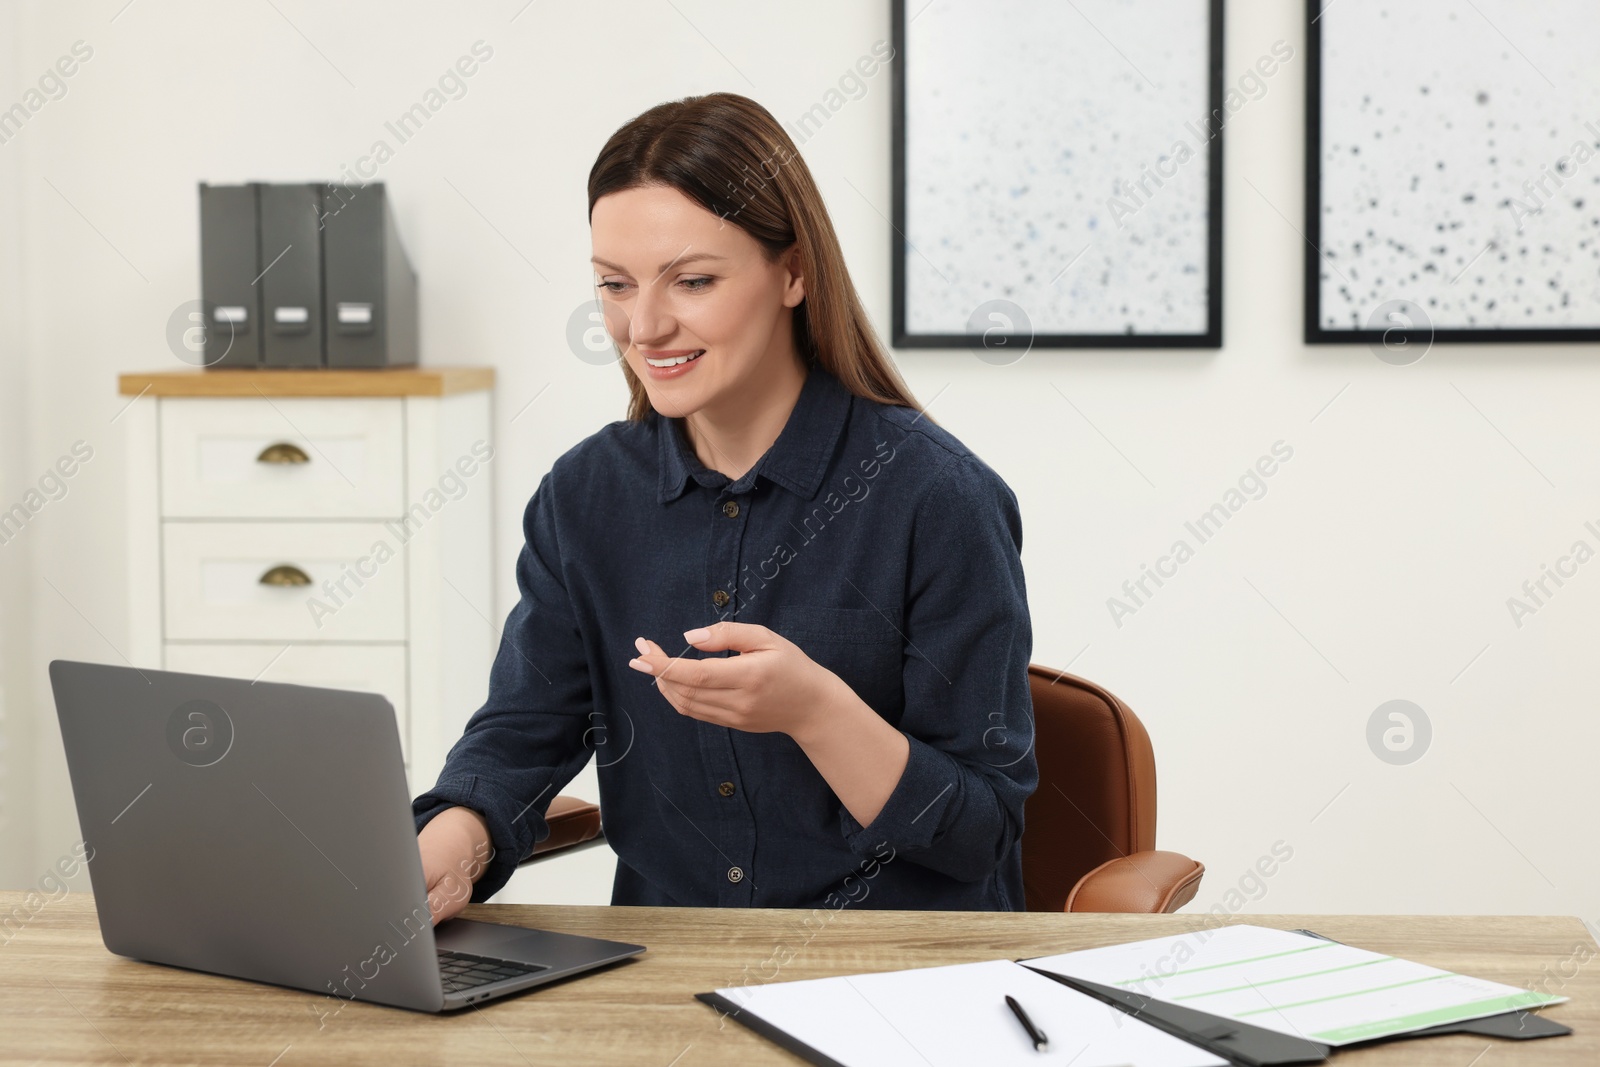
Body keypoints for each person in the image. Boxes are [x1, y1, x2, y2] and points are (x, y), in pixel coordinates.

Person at [413, 91, 1035, 921]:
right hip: (663, 975)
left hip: (895, 977)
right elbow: (521, 734)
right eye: (614, 285)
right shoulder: (584, 496)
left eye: (693, 281)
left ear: (794, 272)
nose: (644, 326)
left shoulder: (939, 499)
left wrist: (817, 711)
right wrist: (448, 847)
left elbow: (979, 834)